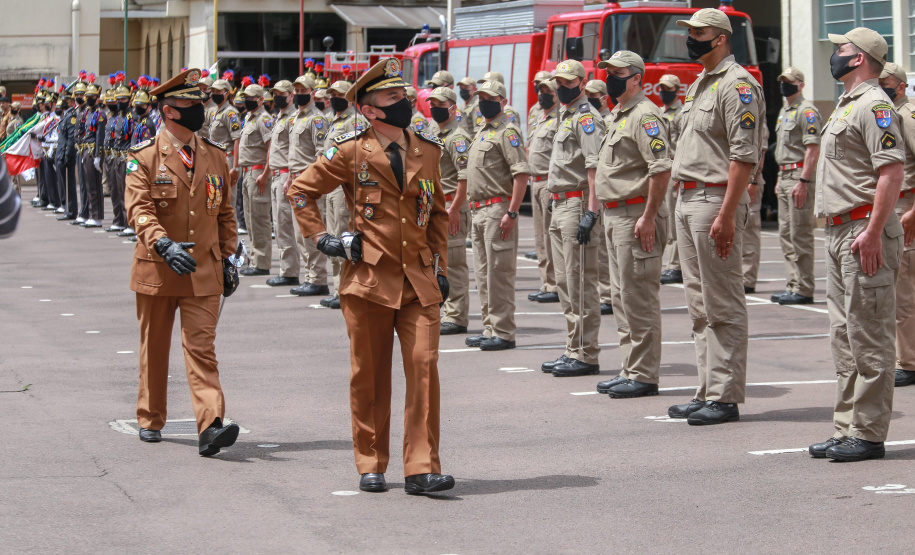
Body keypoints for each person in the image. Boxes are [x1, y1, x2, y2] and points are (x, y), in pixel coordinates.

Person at [287, 57, 455, 495]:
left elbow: (436, 215)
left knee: (424, 368)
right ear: (370, 110)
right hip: (369, 281)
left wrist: (441, 269)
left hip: (419, 281)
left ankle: (421, 468)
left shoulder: (427, 150)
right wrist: (324, 239)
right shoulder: (350, 150)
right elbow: (300, 191)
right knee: (370, 376)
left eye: (404, 95)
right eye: (393, 97)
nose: (405, 102)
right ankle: (371, 461)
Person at [124, 68, 241, 456]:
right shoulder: (143, 157)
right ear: (170, 111)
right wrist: (163, 244)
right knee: (154, 347)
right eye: (191, 104)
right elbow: (139, 210)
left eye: (200, 103)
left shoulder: (214, 155)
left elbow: (224, 213)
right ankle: (150, 416)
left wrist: (228, 259)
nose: (200, 110)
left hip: (203, 270)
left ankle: (211, 426)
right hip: (158, 267)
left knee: (202, 349)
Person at [807, 29, 905, 461]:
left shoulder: (874, 105)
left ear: (860, 57)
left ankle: (867, 433)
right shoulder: (848, 104)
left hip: (864, 229)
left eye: (842, 49)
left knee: (869, 335)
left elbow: (892, 173)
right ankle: (846, 426)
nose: (835, 55)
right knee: (844, 336)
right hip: (839, 230)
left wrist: (873, 231)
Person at [667, 8, 763, 425]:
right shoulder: (700, 84)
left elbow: (744, 157)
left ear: (720, 38)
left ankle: (725, 396)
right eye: (690, 32)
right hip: (688, 197)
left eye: (699, 32)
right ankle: (706, 389)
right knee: (699, 304)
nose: (691, 39)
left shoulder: (738, 85)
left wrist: (727, 213)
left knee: (722, 300)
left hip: (714, 199)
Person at [593, 51, 671, 398]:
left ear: (637, 78)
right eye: (608, 73)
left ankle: (644, 374)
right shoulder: (619, 115)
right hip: (616, 215)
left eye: (618, 73)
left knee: (638, 296)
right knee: (622, 297)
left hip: (635, 215)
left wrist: (649, 216)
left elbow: (660, 168)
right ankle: (630, 367)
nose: (610, 78)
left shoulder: (645, 115)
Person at [541, 59, 606, 377]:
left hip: (577, 204)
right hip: (560, 204)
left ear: (582, 83)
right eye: (559, 82)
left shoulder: (586, 118)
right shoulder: (565, 115)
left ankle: (585, 354)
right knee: (566, 282)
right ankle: (573, 348)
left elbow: (594, 169)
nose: (561, 88)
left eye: (568, 82)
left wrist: (591, 212)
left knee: (580, 282)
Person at [465, 80, 531, 351]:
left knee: (498, 274)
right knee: (483, 274)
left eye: (490, 99)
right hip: (478, 210)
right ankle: (490, 327)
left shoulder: (507, 131)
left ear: (503, 102)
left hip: (496, 210)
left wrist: (512, 212)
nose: (483, 103)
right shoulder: (482, 130)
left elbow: (521, 173)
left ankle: (503, 331)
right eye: (481, 98)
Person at [770, 67, 821, 304]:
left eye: (789, 82)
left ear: (800, 85)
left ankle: (804, 288)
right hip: (785, 175)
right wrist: (780, 178)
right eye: (783, 81)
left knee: (800, 234)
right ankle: (793, 285)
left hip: (799, 176)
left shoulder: (806, 111)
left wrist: (803, 180)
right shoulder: (785, 111)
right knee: (786, 234)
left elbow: (813, 149)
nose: (785, 85)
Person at [879, 64, 915, 388]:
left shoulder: (907, 116)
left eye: (886, 83)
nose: (881, 88)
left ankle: (909, 361)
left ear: (900, 87)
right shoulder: (889, 114)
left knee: (904, 291)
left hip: (907, 207)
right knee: (895, 287)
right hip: (895, 206)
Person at [429, 86, 472, 335]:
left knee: (453, 263)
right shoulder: (435, 134)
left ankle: (457, 317)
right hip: (436, 206)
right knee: (437, 262)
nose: (435, 108)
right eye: (433, 104)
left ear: (453, 108)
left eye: (441, 105)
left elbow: (464, 177)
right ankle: (445, 310)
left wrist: (454, 208)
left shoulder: (457, 138)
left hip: (451, 206)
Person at [287, 75, 332, 298]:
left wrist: (312, 182)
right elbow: (294, 153)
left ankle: (318, 279)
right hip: (296, 180)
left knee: (311, 232)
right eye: (296, 90)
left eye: (303, 90)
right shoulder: (296, 117)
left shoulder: (316, 119)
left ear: (313, 93)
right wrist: (290, 179)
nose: (298, 94)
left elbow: (321, 153)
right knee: (300, 233)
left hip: (308, 181)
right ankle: (310, 277)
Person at [262, 79, 301, 287]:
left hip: (286, 175)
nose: (277, 98)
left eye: (281, 94)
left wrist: (290, 177)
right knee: (279, 225)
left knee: (286, 225)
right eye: (275, 94)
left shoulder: (293, 118)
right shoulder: (280, 117)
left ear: (291, 96)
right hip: (276, 175)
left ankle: (290, 272)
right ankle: (287, 270)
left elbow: (294, 151)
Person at [527, 78, 560, 304]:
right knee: (540, 237)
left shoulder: (559, 119)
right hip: (535, 182)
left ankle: (555, 284)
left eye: (547, 92)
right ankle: (546, 282)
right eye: (540, 91)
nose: (542, 95)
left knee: (550, 236)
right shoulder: (541, 117)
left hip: (549, 183)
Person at [236, 83, 274, 277]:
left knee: (259, 219)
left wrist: (265, 175)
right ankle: (255, 259)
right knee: (250, 219)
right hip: (247, 173)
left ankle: (262, 262)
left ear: (260, 99)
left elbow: (271, 148)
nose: (247, 100)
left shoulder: (264, 119)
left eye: (251, 97)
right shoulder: (249, 118)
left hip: (257, 172)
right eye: (246, 97)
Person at [658, 74, 685, 285]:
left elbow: (684, 145)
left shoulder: (681, 113)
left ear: (677, 90)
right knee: (664, 219)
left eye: (668, 89)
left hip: (673, 170)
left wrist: (679, 173)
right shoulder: (660, 112)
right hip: (661, 170)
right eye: (661, 88)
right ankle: (670, 263)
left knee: (674, 222)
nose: (663, 92)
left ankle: (676, 266)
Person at [742, 126, 768, 294]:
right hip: (737, 179)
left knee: (749, 229)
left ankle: (747, 279)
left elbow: (761, 151)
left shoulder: (756, 116)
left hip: (750, 181)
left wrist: (754, 181)